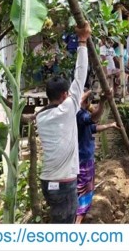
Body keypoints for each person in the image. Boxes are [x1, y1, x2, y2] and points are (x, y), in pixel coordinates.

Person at [36, 22, 91, 223]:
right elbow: (80, 75)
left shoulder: (40, 117)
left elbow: (76, 87)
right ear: (65, 94)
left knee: (56, 220)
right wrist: (82, 41)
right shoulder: (68, 109)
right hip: (65, 183)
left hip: (47, 182)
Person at [75, 89, 118, 223]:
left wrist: (110, 125)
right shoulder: (79, 115)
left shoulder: (79, 115)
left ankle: (77, 214)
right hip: (83, 158)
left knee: (79, 187)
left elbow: (93, 127)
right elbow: (94, 118)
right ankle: (78, 220)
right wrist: (103, 101)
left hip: (80, 157)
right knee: (85, 189)